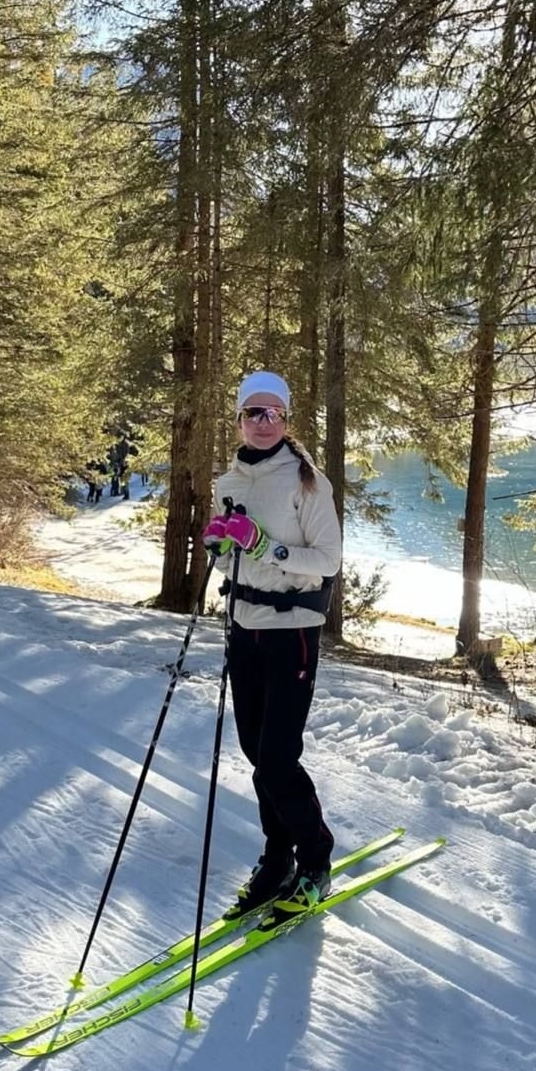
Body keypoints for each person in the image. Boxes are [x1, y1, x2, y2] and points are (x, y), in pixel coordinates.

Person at [203, 370, 342, 920]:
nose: (263, 423)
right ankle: (276, 856)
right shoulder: (227, 485)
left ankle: (315, 859)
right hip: (244, 626)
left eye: (273, 414)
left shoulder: (307, 481)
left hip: (292, 633)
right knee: (256, 753)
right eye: (252, 413)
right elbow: (223, 558)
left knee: (279, 756)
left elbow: (327, 561)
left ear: (286, 419)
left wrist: (266, 547)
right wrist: (217, 545)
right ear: (237, 419)